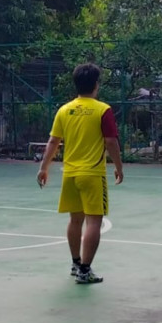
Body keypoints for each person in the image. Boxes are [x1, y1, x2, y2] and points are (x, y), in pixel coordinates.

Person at [37, 63, 124, 285]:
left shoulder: (64, 110)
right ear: (96, 84)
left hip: (70, 174)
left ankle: (76, 264)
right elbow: (111, 141)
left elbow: (53, 141)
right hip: (92, 174)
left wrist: (43, 168)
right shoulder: (102, 110)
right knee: (94, 221)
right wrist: (119, 166)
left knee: (75, 220)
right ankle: (85, 271)